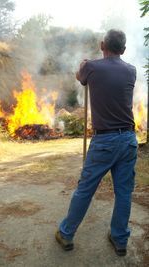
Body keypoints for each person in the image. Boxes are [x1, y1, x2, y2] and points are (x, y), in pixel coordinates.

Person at [55, 29, 138, 256]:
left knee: (85, 190)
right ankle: (120, 239)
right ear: (123, 49)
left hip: (105, 141)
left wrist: (83, 64)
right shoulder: (132, 71)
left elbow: (80, 77)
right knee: (123, 192)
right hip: (129, 139)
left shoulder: (91, 67)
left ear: (103, 45)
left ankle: (66, 234)